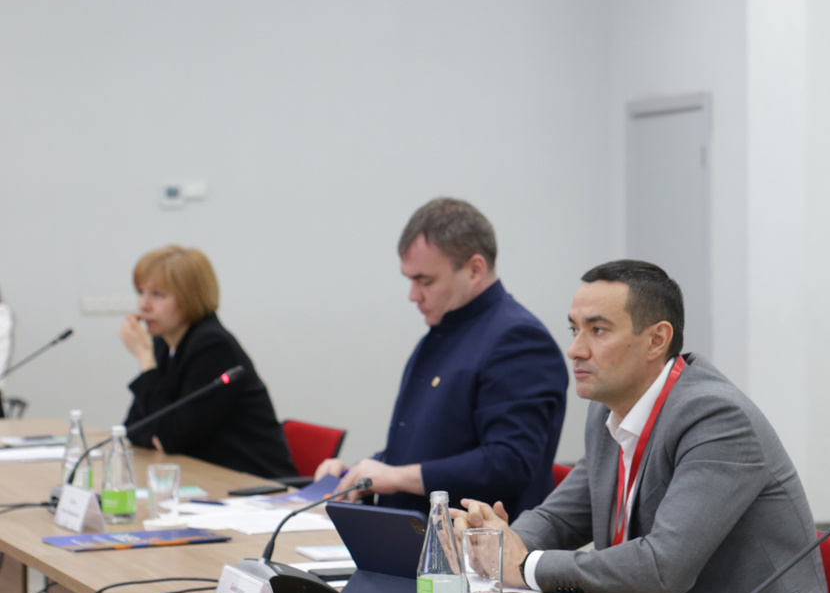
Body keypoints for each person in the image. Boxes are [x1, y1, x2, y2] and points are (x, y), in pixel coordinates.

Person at [454, 260, 825, 593]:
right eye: (574, 329)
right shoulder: (608, 410)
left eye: (598, 330)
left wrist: (524, 566)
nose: (575, 350)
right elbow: (560, 518)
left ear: (656, 340)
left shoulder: (716, 418)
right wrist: (495, 543)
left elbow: (663, 567)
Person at [315, 198, 567, 518]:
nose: (413, 295)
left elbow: (510, 461)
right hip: (417, 534)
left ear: (475, 269)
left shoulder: (519, 339)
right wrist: (361, 473)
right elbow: (425, 449)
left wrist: (396, 477)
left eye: (425, 281)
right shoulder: (443, 332)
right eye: (410, 280)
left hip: (476, 541)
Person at [120, 246, 295, 479]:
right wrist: (158, 435)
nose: (143, 305)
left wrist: (145, 360)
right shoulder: (163, 343)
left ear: (190, 298)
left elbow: (170, 437)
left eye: (157, 295)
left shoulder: (213, 346)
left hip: (254, 481)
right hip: (204, 475)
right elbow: (134, 428)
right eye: (141, 292)